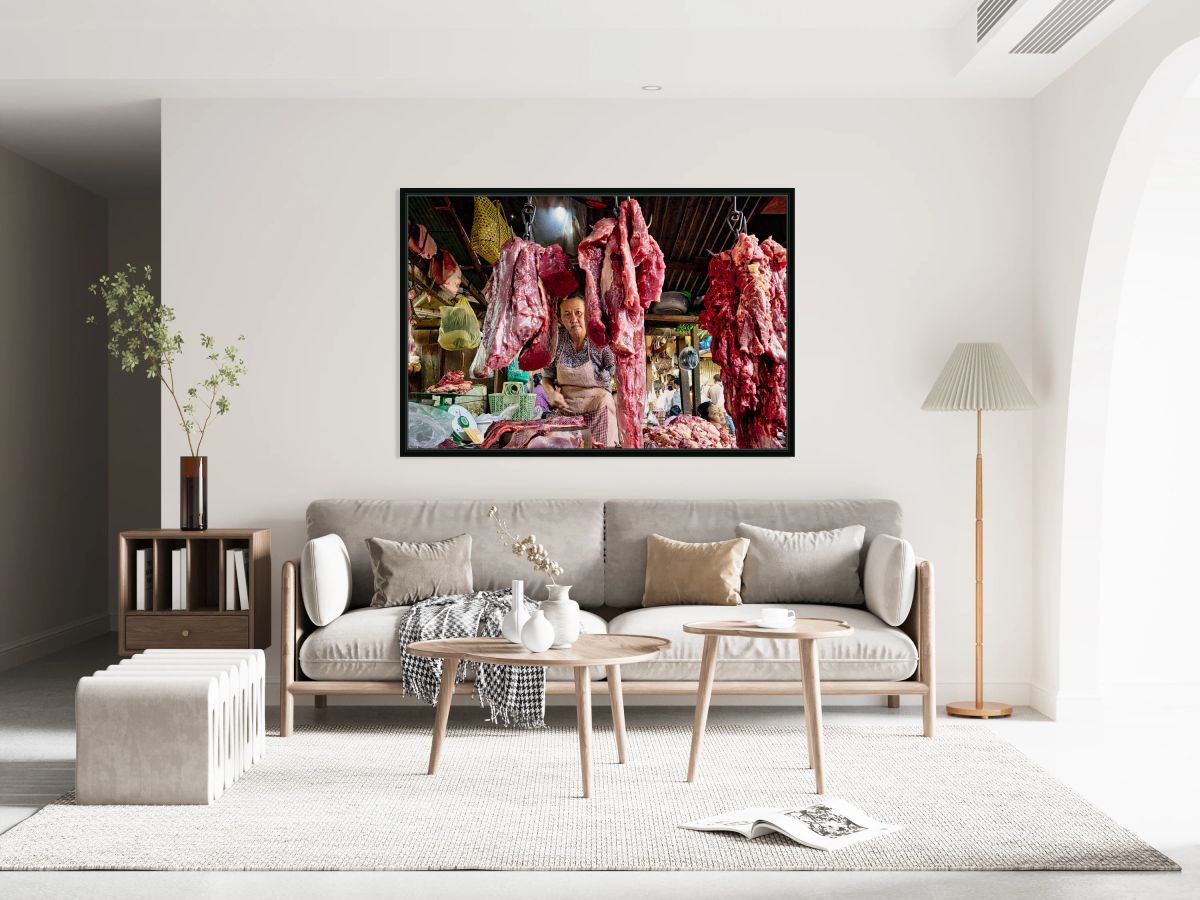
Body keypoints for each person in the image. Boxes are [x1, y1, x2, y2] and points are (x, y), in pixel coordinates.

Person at [544, 294, 618, 446]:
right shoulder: (556, 342)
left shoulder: (600, 341)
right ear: (560, 319)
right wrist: (552, 394)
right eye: (567, 314)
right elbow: (547, 377)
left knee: (600, 461)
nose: (573, 319)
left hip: (599, 409)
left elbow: (618, 373)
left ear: (587, 314)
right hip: (567, 411)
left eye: (578, 313)